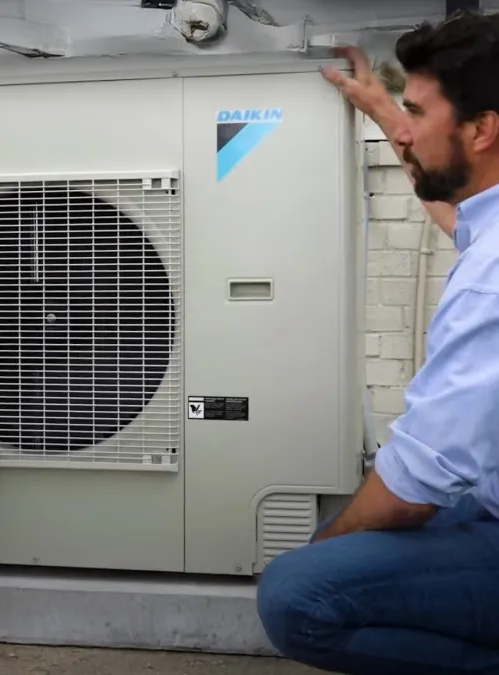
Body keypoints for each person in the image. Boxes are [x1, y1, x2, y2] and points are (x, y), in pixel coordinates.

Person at [256, 11, 499, 675]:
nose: (408, 129)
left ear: (481, 130)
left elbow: (412, 485)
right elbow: (454, 210)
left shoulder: (491, 284)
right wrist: (382, 108)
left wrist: (321, 546)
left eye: (418, 113)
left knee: (299, 590)